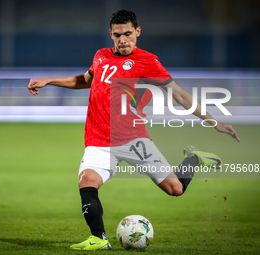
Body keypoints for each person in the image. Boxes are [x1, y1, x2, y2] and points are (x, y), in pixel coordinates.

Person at [28, 9, 240, 251]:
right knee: (88, 182)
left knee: (175, 190)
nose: (123, 40)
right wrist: (48, 80)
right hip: (98, 140)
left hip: (133, 140)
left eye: (128, 34)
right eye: (117, 35)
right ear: (111, 34)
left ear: (137, 32)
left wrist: (215, 122)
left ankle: (193, 157)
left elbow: (179, 94)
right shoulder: (101, 56)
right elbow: (85, 80)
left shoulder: (148, 61)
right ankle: (99, 237)